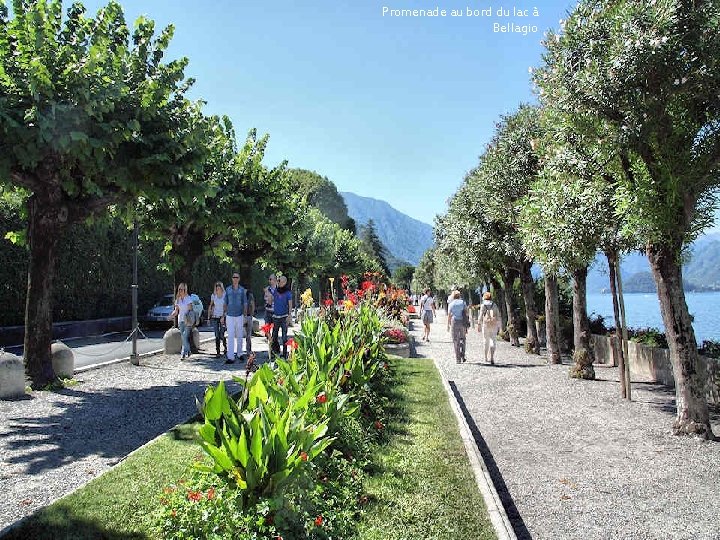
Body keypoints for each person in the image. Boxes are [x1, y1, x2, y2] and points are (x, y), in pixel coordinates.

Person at [223, 271, 247, 364]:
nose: (235, 279)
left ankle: (240, 354)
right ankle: (230, 357)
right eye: (234, 277)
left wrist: (245, 315)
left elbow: (245, 303)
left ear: (239, 279)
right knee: (230, 336)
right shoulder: (228, 289)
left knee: (240, 335)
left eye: (237, 277)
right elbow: (225, 302)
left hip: (239, 315)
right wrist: (223, 314)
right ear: (232, 278)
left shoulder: (242, 290)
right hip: (229, 315)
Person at [168, 283, 193, 359]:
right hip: (180, 320)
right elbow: (176, 311)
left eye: (182, 289)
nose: (181, 291)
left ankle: (183, 353)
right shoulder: (177, 299)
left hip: (187, 321)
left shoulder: (188, 298)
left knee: (184, 336)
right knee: (183, 337)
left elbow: (190, 310)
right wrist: (171, 316)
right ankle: (188, 350)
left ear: (185, 290)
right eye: (179, 289)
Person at [271, 275, 293, 358]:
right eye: (278, 280)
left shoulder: (288, 293)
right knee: (274, 336)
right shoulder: (275, 291)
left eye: (280, 280)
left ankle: (284, 354)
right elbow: (270, 294)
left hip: (284, 317)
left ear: (284, 282)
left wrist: (289, 315)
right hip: (276, 317)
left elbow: (290, 304)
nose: (278, 282)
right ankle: (274, 352)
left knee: (284, 337)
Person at [478, 291, 501, 364]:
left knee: (485, 341)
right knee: (493, 340)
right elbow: (498, 315)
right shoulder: (494, 305)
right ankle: (492, 357)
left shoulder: (483, 305)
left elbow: (481, 315)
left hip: (486, 324)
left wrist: (479, 324)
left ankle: (485, 357)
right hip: (493, 324)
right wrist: (499, 325)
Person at [446, 290, 468, 363]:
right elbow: (466, 312)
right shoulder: (463, 302)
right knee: (463, 338)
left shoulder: (451, 304)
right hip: (462, 322)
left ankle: (458, 359)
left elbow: (449, 315)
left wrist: (448, 325)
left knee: (455, 340)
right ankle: (463, 354)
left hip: (454, 322)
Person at [208, 281, 227, 358]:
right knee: (217, 335)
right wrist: (208, 318)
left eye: (219, 288)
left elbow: (226, 307)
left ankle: (225, 347)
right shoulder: (213, 296)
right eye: (216, 288)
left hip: (223, 317)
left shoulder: (225, 295)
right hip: (215, 317)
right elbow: (210, 306)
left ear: (222, 288)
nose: (218, 289)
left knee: (221, 335)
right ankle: (218, 352)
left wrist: (223, 316)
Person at [244, 288, 255, 354]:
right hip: (241, 317)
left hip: (247, 316)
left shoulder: (250, 296)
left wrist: (251, 315)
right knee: (246, 335)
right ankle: (245, 350)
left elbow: (252, 305)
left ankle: (248, 350)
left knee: (248, 335)